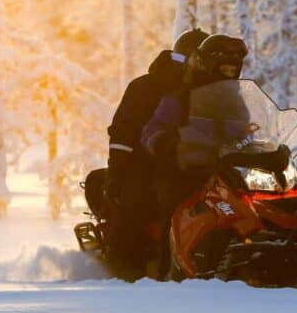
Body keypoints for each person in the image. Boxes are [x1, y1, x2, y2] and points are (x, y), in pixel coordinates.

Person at [100, 28, 208, 280]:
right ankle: (125, 271)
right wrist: (117, 171)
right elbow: (123, 133)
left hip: (201, 164)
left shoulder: (216, 90)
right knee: (138, 203)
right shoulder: (146, 87)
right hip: (147, 164)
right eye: (191, 58)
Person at [142, 34, 249, 225]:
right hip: (182, 171)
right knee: (174, 206)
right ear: (208, 64)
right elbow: (152, 129)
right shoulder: (181, 96)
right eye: (225, 67)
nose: (229, 72)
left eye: (234, 68)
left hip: (225, 170)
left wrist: (261, 144)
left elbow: (247, 130)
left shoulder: (236, 102)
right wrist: (164, 142)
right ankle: (167, 254)